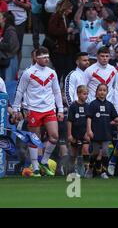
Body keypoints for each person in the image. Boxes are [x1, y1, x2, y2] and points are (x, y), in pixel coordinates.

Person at [12, 47, 64, 177]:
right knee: (35, 139)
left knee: (54, 136)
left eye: (47, 57)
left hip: (49, 109)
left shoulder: (52, 72)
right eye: (44, 57)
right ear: (36, 58)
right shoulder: (28, 73)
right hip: (33, 109)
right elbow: (20, 91)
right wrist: (16, 108)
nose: (47, 59)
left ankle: (44, 161)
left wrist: (61, 109)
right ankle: (35, 167)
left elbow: (57, 92)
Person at [85, 83, 118, 179]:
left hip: (106, 132)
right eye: (100, 90)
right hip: (96, 132)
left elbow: (115, 118)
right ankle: (90, 168)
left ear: (107, 92)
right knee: (95, 152)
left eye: (104, 90)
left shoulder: (109, 105)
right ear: (96, 92)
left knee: (105, 152)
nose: (102, 92)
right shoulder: (93, 104)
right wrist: (89, 130)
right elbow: (89, 118)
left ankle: (103, 171)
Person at [67, 85, 90, 176]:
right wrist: (69, 135)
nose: (86, 96)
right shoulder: (73, 106)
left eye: (87, 94)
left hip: (84, 133)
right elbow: (69, 121)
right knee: (74, 153)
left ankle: (87, 169)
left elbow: (89, 120)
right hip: (75, 133)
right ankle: (73, 169)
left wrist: (88, 132)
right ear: (78, 94)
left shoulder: (88, 106)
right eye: (84, 94)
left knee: (85, 150)